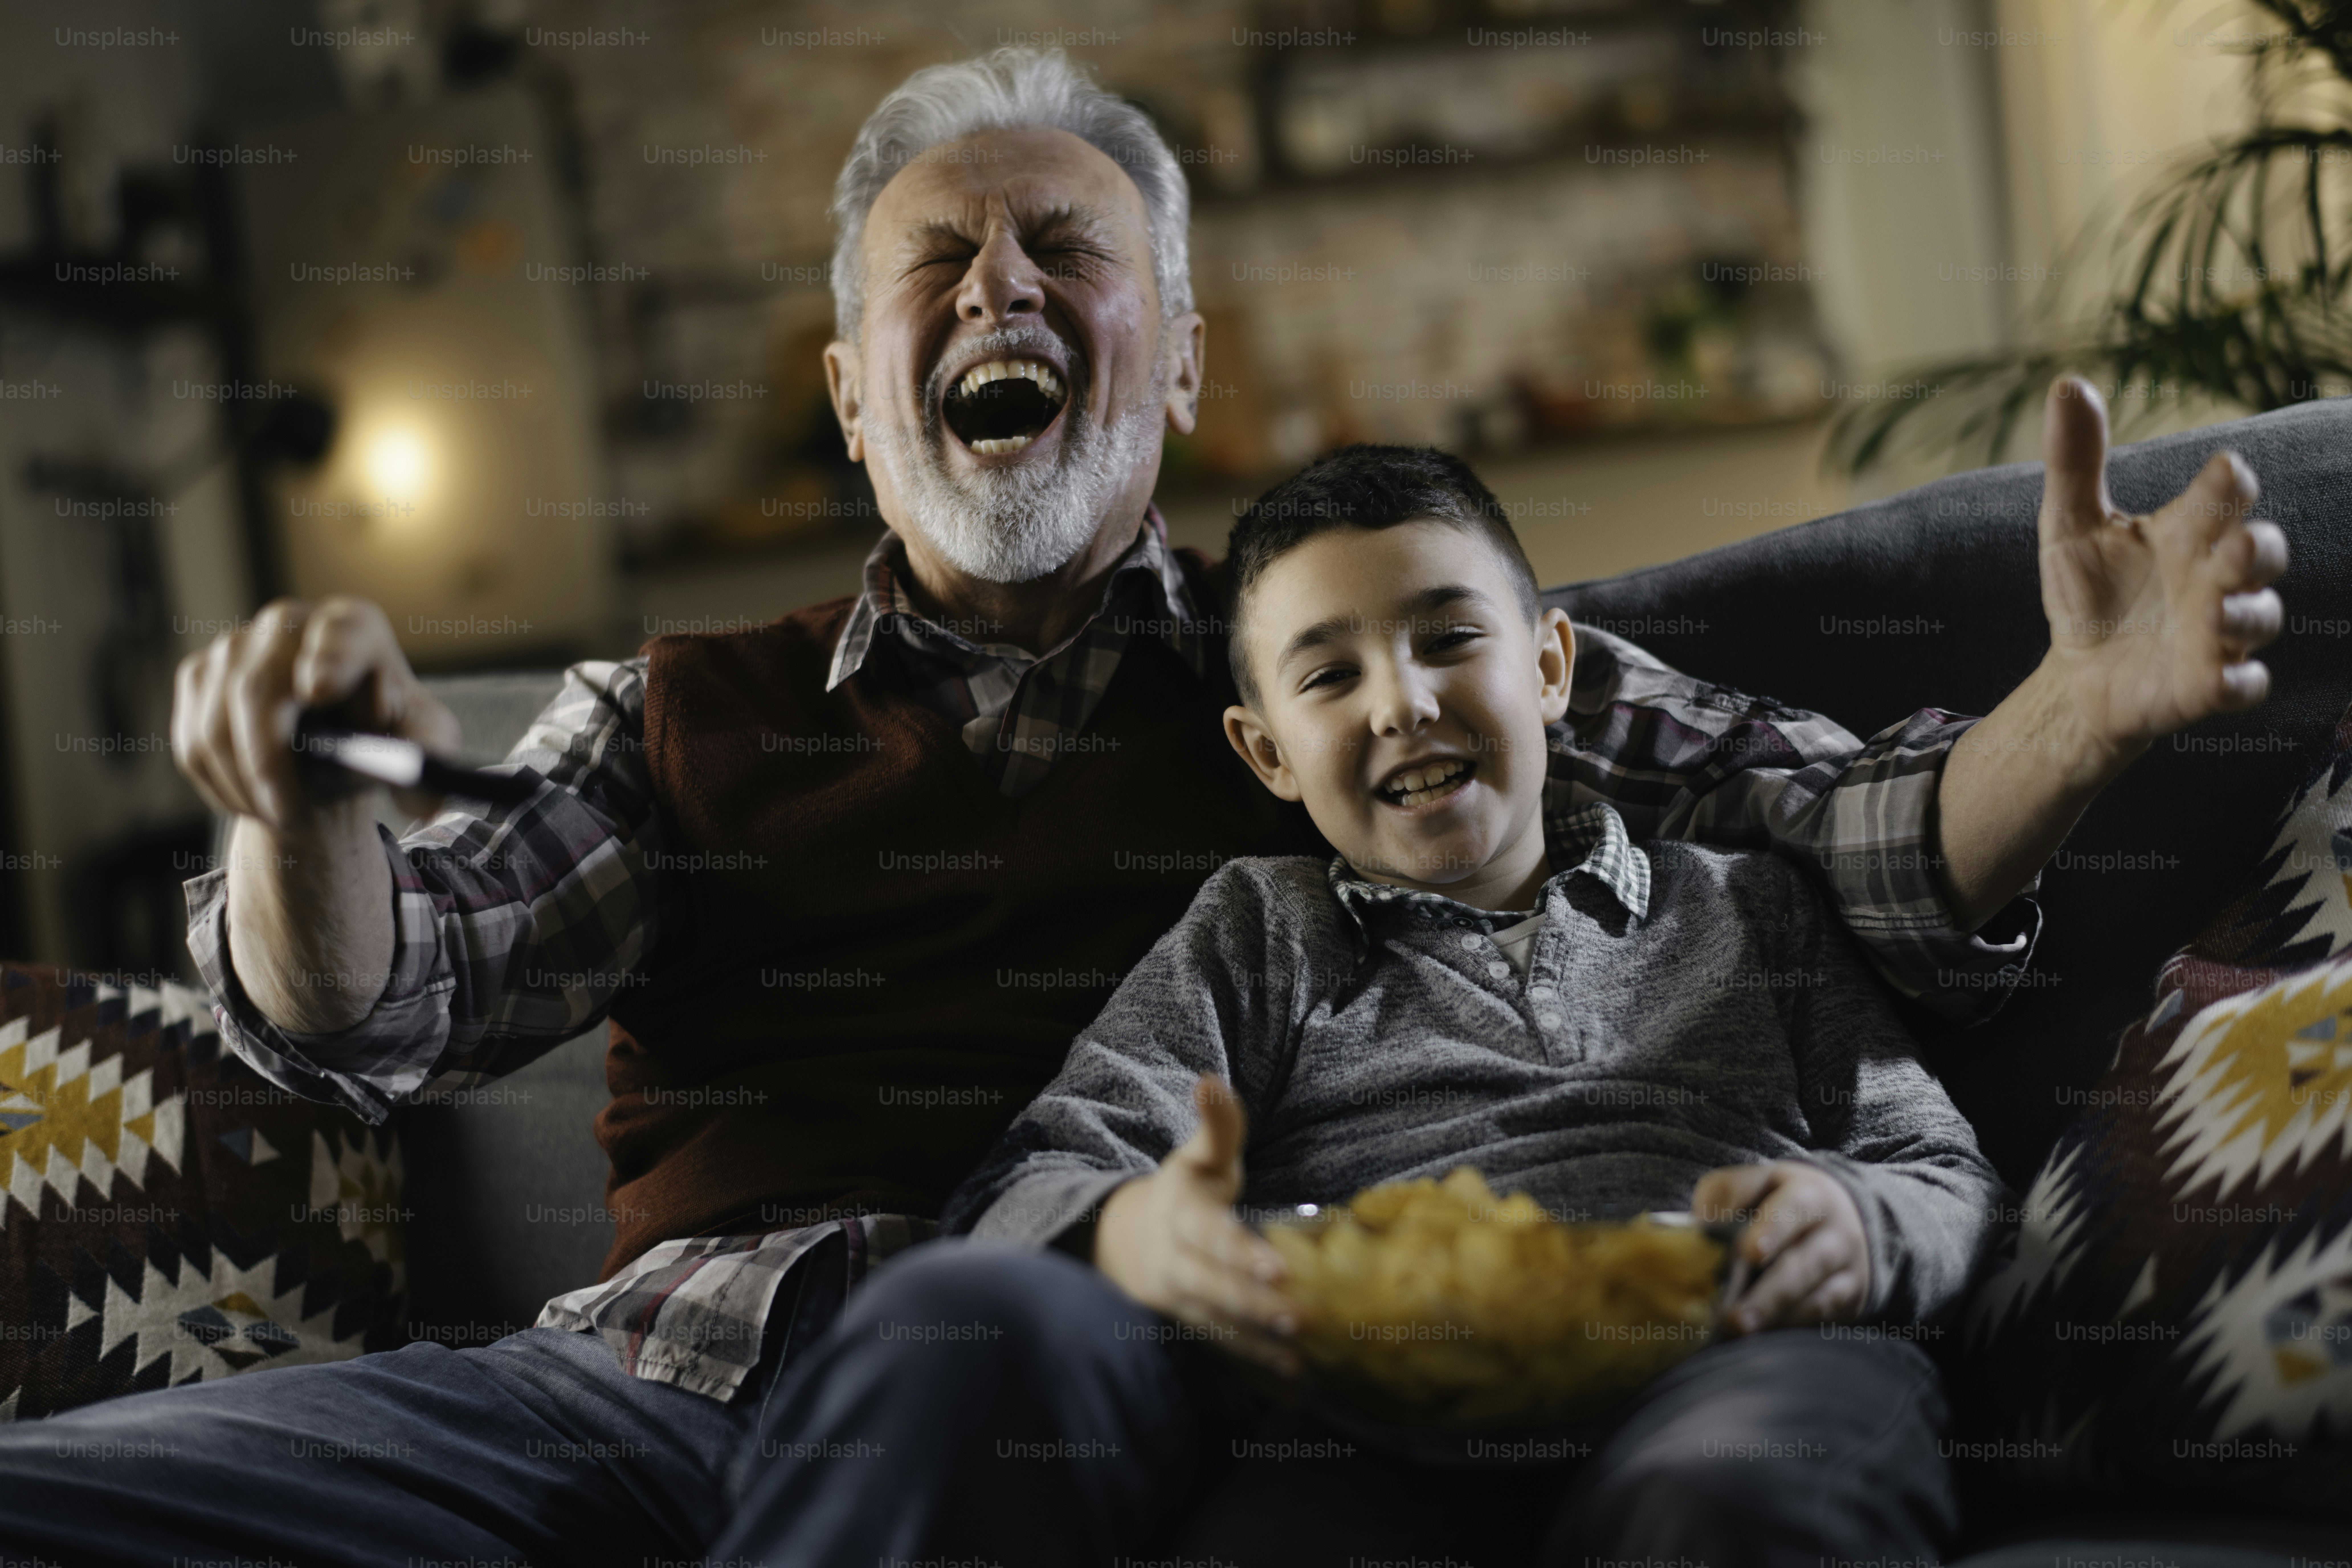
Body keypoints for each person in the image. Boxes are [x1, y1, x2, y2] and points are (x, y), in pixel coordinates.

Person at [0, 46, 2286, 1568]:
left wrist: (2081, 713)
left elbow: (1840, 835)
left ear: (1178, 358)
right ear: (854, 395)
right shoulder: (682, 711)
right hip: (649, 1377)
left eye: (1068, 251)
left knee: (966, 1339)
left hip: (1070, 1363)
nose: (1000, 283)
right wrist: (302, 823)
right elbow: (366, 1016)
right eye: (938, 261)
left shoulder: (1342, 659)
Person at [727, 443, 2006, 1566]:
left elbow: (1936, 1162)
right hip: (1378, 1413)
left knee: (1740, 1497)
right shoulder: (1258, 930)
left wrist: (1862, 1220)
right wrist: (1136, 1231)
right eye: (1329, 676)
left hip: (1735, 1351)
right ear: (1267, 751)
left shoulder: (1749, 907)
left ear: (1551, 666)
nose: (1403, 701)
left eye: (1451, 639)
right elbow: (1046, 1165)